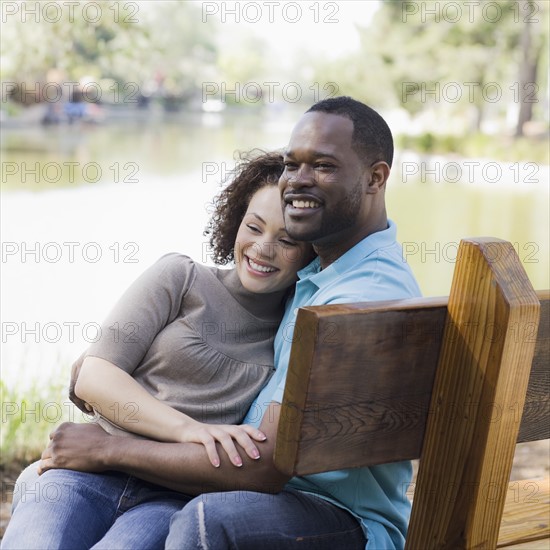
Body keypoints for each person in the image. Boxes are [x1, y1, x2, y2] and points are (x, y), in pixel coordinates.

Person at [6, 96, 422, 550]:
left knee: (202, 521)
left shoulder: (356, 297)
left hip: (323, 514)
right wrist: (103, 367)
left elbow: (266, 462)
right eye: (292, 164)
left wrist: (107, 448)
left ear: (375, 178)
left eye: (323, 165)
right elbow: (97, 373)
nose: (300, 180)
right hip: (236, 491)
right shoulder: (315, 279)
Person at [1, 150, 313, 550]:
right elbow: (95, 377)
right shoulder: (181, 278)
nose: (263, 248)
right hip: (84, 469)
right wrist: (189, 430)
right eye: (254, 227)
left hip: (173, 496)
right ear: (236, 221)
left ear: (309, 251)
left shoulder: (295, 331)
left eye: (286, 240)